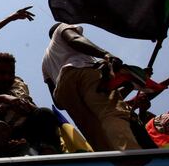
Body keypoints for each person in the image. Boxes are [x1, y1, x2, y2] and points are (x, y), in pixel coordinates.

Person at [41, 23, 139, 151]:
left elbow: (58, 104)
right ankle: (132, 156)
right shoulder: (62, 28)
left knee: (92, 128)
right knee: (111, 113)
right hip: (82, 70)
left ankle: (113, 164)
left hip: (63, 93)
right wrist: (106, 54)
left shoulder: (45, 63)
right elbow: (74, 39)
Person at [0, 52, 61, 155]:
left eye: (11, 74)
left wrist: (26, 107)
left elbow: (36, 112)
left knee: (44, 113)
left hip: (16, 136)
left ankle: (48, 157)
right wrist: (2, 99)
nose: (7, 77)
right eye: (1, 73)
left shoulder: (17, 90)